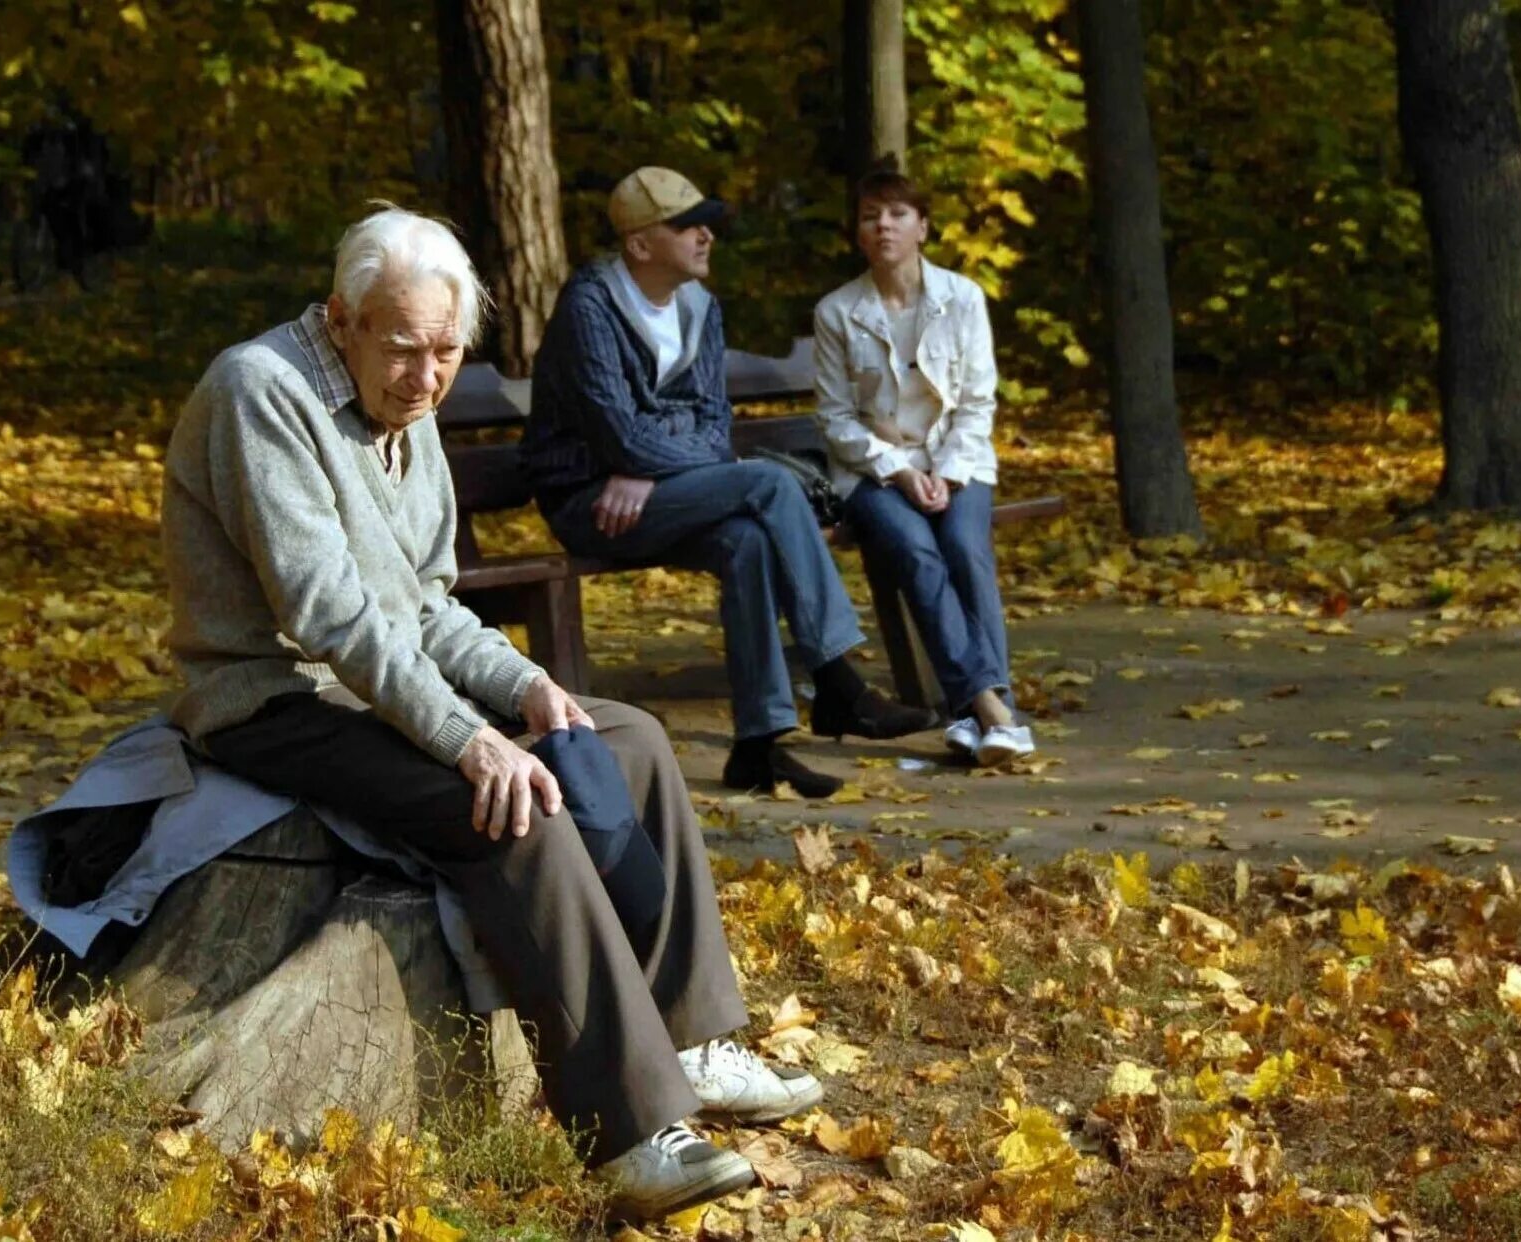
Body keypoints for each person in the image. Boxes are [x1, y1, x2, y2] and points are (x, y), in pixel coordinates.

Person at [160, 203, 823, 1222]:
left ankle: (689, 1037)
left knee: (627, 741)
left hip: (371, 679)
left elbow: (427, 606)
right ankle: (633, 1131)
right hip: (276, 697)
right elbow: (328, 613)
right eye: (405, 348)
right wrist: (470, 737)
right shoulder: (262, 391)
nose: (427, 378)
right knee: (514, 808)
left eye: (446, 351)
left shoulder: (403, 415)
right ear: (342, 319)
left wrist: (521, 690)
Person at [522, 166, 933, 799]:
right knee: (767, 484)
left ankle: (758, 746)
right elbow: (620, 436)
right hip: (590, 502)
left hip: (655, 492)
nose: (706, 236)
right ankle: (839, 682)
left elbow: (714, 428)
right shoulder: (591, 308)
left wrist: (645, 466)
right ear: (639, 245)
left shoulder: (700, 308)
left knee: (746, 540)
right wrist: (639, 458)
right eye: (687, 226)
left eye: (707, 223)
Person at [812, 169, 1035, 767]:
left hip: (957, 462)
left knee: (964, 546)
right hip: (872, 471)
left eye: (896, 214)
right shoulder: (837, 311)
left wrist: (950, 473)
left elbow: (978, 401)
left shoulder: (962, 298)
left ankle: (972, 712)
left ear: (923, 228)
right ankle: (996, 712)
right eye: (869, 216)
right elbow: (836, 419)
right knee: (916, 552)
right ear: (858, 233)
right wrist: (902, 472)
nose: (882, 225)